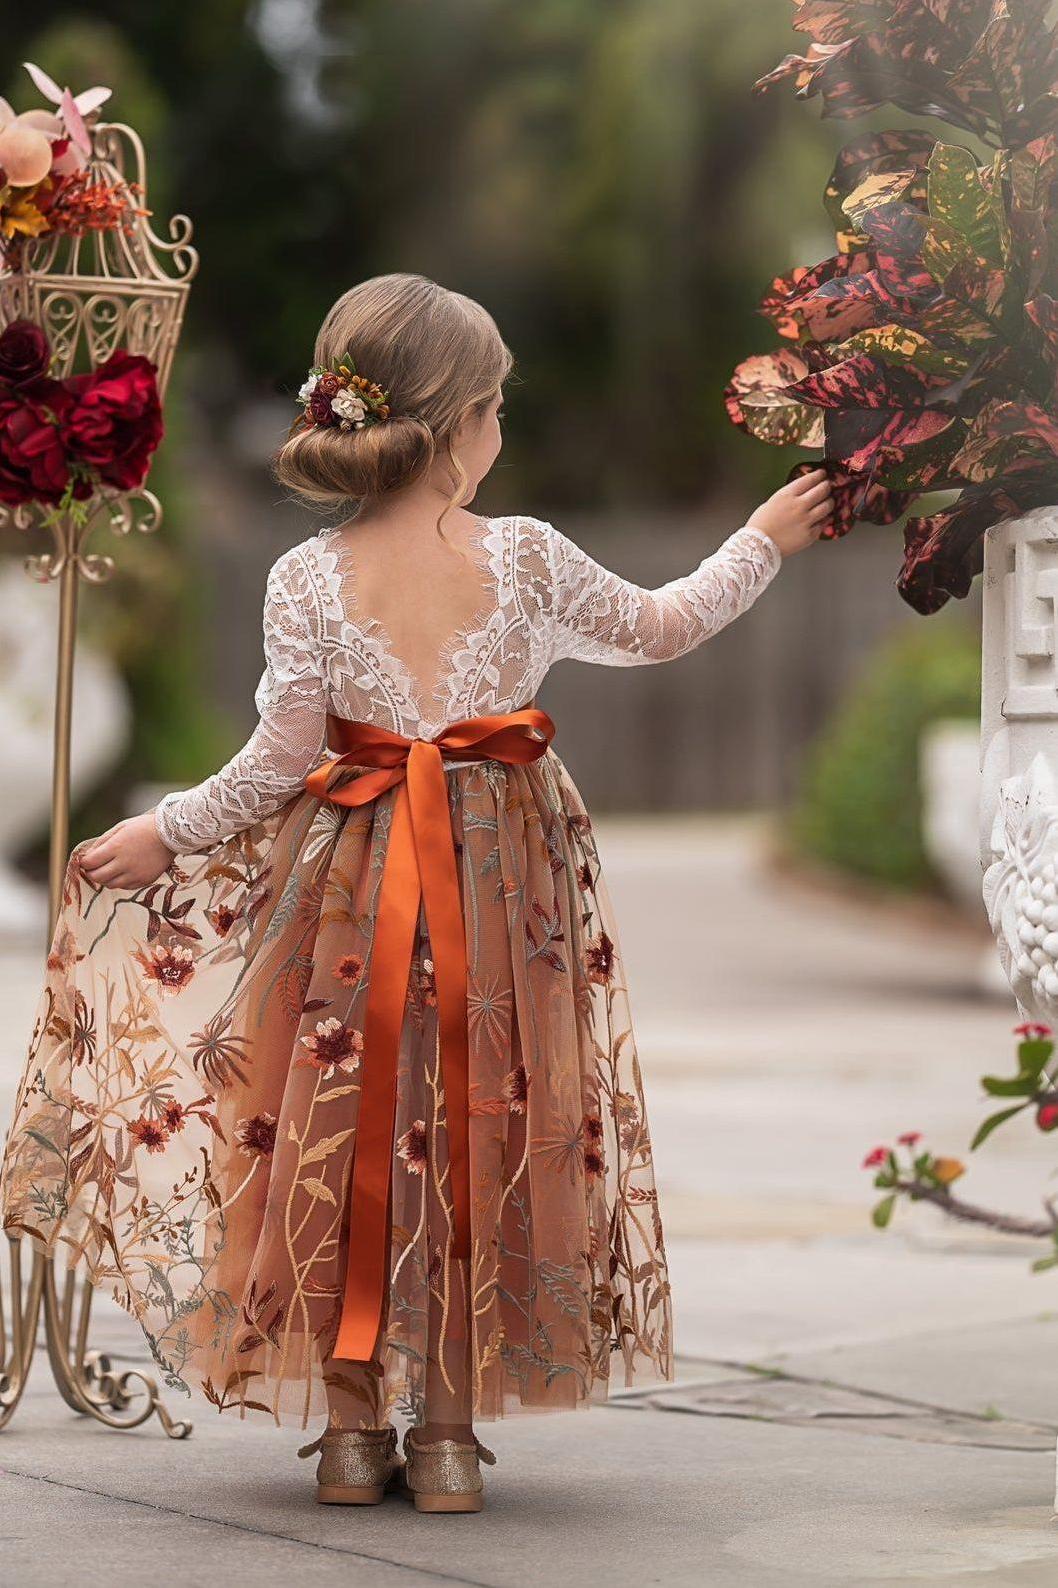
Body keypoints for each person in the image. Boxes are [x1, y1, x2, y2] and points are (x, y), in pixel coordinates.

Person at [0, 274, 829, 1514]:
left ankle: (345, 1436)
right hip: (504, 880)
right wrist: (760, 538)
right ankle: (442, 1438)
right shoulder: (528, 556)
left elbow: (278, 759)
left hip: (347, 886)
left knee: (338, 1125)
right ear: (455, 425)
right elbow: (661, 625)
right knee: (481, 1123)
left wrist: (161, 833)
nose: (503, 433)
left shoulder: (306, 578)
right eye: (496, 407)